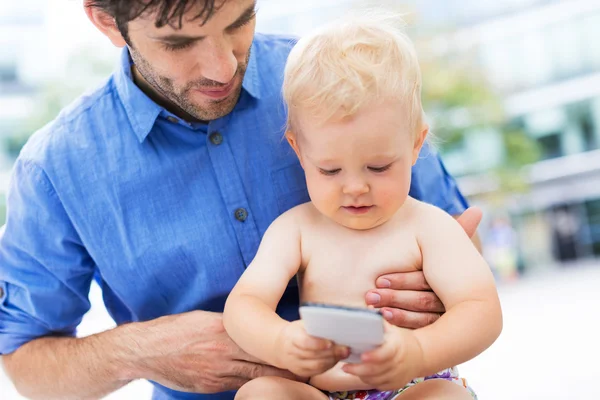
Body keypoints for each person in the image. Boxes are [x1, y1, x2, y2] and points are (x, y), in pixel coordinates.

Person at [0, 1, 481, 400]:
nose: (223, 67)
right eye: (179, 42)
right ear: (107, 20)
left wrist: (432, 307)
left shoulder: (345, 81)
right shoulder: (55, 168)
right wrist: (139, 350)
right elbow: (25, 365)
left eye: (240, 20)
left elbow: (464, 259)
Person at [223, 13, 501, 400]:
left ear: (416, 145)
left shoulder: (429, 226)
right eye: (330, 169)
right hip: (326, 392)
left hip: (413, 385)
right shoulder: (295, 229)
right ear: (299, 152)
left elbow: (481, 310)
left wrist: (419, 351)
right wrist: (281, 338)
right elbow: (244, 304)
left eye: (379, 166)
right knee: (260, 393)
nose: (355, 187)